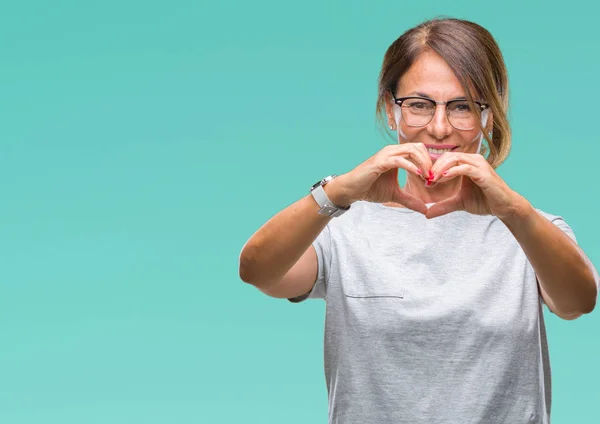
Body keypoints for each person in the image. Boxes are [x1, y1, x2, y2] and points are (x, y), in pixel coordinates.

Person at [238, 17, 598, 424]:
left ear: (489, 117)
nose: (439, 127)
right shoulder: (341, 228)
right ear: (391, 111)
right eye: (420, 105)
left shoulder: (532, 228)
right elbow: (257, 270)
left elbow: (578, 302)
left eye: (462, 106)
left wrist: (514, 211)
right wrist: (336, 193)